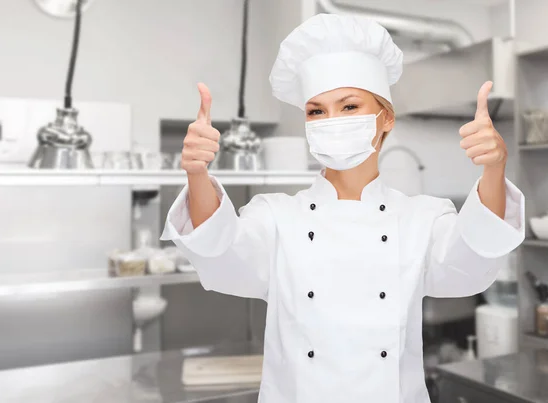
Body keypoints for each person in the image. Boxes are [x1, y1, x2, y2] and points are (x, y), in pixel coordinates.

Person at [161, 13, 525, 403]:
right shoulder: (276, 216)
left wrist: (494, 167)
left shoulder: (421, 218)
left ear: (385, 117)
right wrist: (197, 174)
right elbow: (219, 251)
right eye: (317, 111)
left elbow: (471, 261)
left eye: (349, 106)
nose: (331, 121)